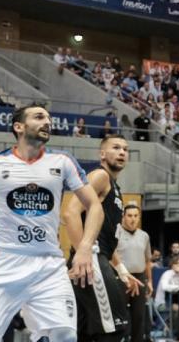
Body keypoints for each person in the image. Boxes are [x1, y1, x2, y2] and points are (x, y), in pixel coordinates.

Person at [0, 104, 104, 342]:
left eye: (49, 118)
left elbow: (95, 206)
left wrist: (85, 247)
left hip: (49, 265)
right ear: (19, 126)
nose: (47, 122)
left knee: (65, 336)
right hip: (3, 264)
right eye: (39, 117)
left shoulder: (63, 162)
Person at [63, 134, 139, 342]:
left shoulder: (116, 189)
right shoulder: (100, 176)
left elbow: (106, 238)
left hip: (97, 257)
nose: (122, 152)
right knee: (115, 329)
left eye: (125, 149)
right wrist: (83, 253)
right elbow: (71, 213)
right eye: (116, 147)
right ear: (103, 154)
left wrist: (122, 270)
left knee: (88, 333)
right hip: (90, 259)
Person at [116, 204, 152, 342]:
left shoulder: (144, 236)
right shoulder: (116, 233)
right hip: (121, 278)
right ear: (123, 217)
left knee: (139, 316)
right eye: (130, 215)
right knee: (120, 316)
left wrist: (149, 281)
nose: (133, 219)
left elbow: (148, 260)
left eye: (136, 216)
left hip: (140, 277)